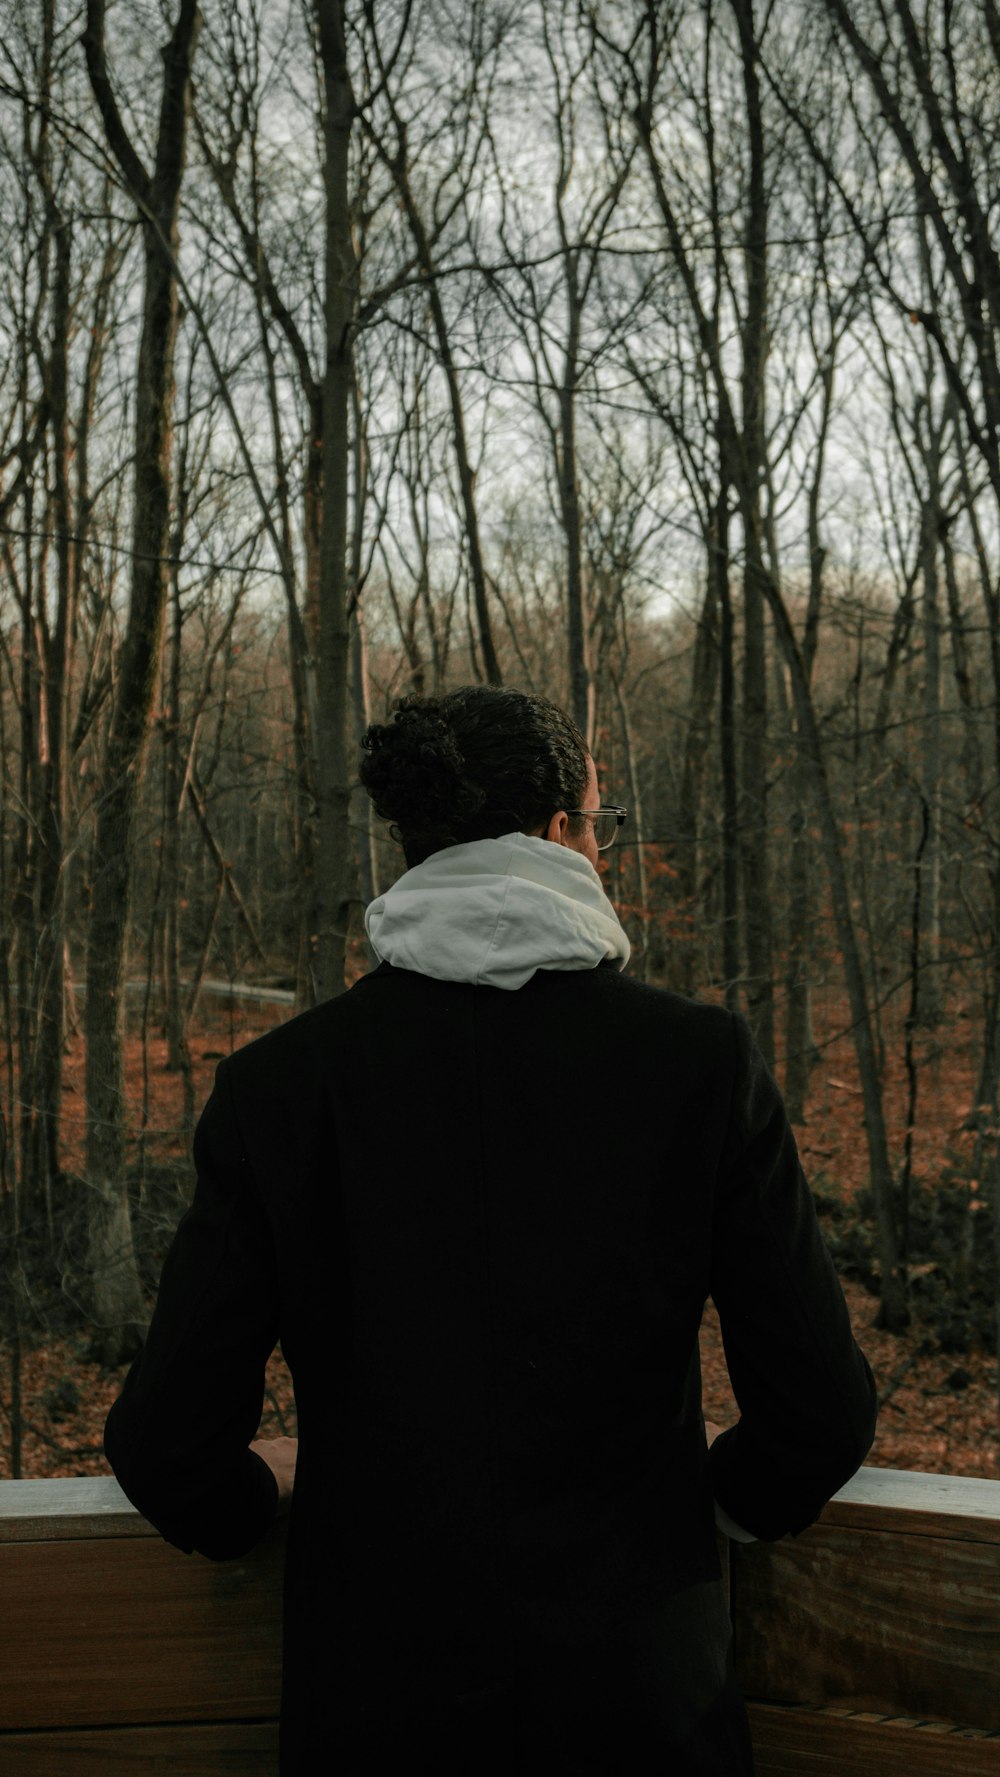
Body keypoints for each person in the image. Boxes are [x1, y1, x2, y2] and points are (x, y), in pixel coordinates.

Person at [104, 685, 877, 1775]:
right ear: (562, 828)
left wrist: (261, 1520)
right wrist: (709, 1514)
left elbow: (163, 1445)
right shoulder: (696, 1065)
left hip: (376, 1704)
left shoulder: (280, 1089)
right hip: (640, 1703)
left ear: (417, 844)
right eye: (601, 824)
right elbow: (822, 1414)